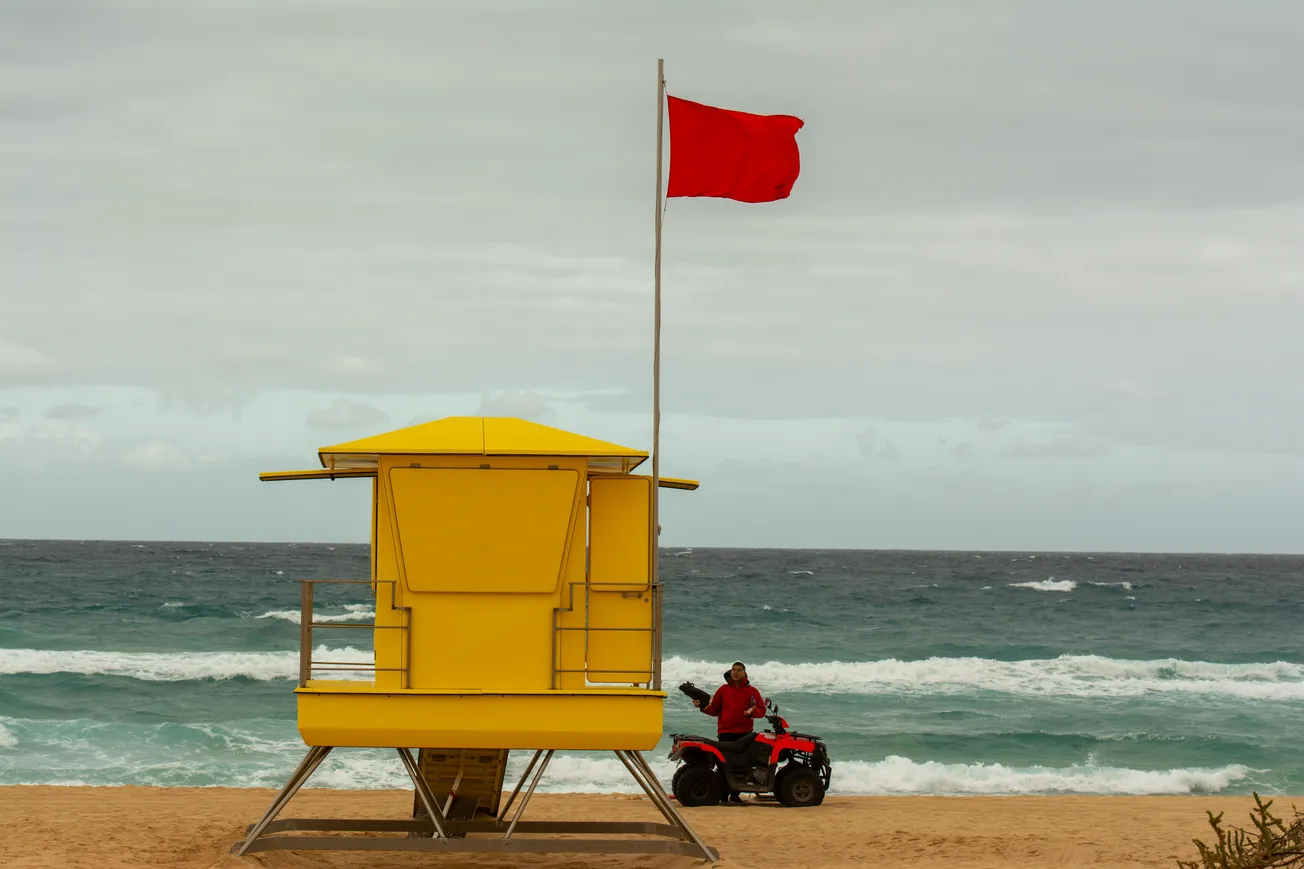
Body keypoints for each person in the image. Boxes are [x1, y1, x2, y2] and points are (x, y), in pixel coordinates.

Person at [692, 661, 766, 803]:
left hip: (745, 733)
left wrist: (753, 711)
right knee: (723, 764)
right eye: (733, 670)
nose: (736, 672)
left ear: (745, 673)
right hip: (726, 732)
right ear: (730, 672)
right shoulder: (723, 690)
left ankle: (735, 795)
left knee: (742, 765)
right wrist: (701, 706)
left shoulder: (752, 691)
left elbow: (762, 710)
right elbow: (714, 710)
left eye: (739, 670)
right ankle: (723, 795)